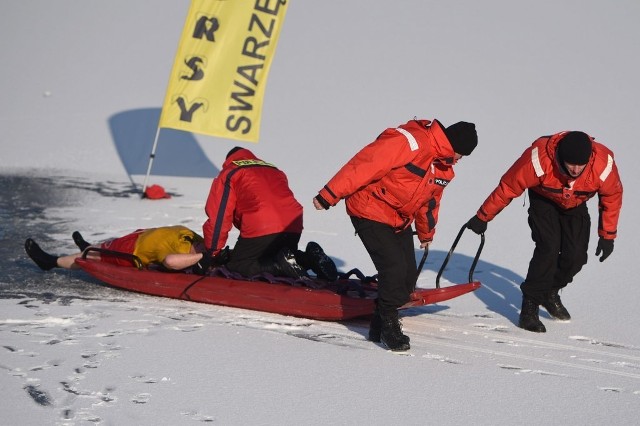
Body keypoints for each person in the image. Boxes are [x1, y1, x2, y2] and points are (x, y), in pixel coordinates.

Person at [313, 118, 478, 351]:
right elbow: (365, 164)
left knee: (406, 278)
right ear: (454, 146)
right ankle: (389, 327)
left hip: (398, 219)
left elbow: (430, 202)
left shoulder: (443, 167)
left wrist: (426, 232)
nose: (460, 161)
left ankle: (377, 324)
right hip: (369, 209)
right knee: (393, 268)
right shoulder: (410, 142)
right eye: (462, 155)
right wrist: (329, 195)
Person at [465, 131, 623, 333]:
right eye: (570, 164)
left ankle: (550, 292)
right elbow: (507, 187)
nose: (575, 169)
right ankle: (529, 306)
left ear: (589, 159)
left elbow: (612, 197)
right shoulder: (537, 160)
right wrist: (483, 216)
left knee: (576, 257)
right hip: (544, 199)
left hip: (575, 204)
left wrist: (607, 236)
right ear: (560, 157)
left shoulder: (603, 166)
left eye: (580, 165)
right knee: (548, 248)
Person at [202, 147, 337, 281]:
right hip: (293, 223)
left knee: (238, 265)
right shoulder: (273, 169)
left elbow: (219, 218)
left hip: (262, 223)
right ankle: (309, 259)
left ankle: (278, 266)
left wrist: (213, 253)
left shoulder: (230, 172)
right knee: (276, 256)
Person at [25, 225, 207, 271]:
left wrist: (200, 256)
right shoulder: (197, 239)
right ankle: (89, 247)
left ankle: (50, 262)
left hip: (131, 252)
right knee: (100, 248)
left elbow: (170, 262)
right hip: (138, 237)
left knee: (91, 256)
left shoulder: (184, 255)